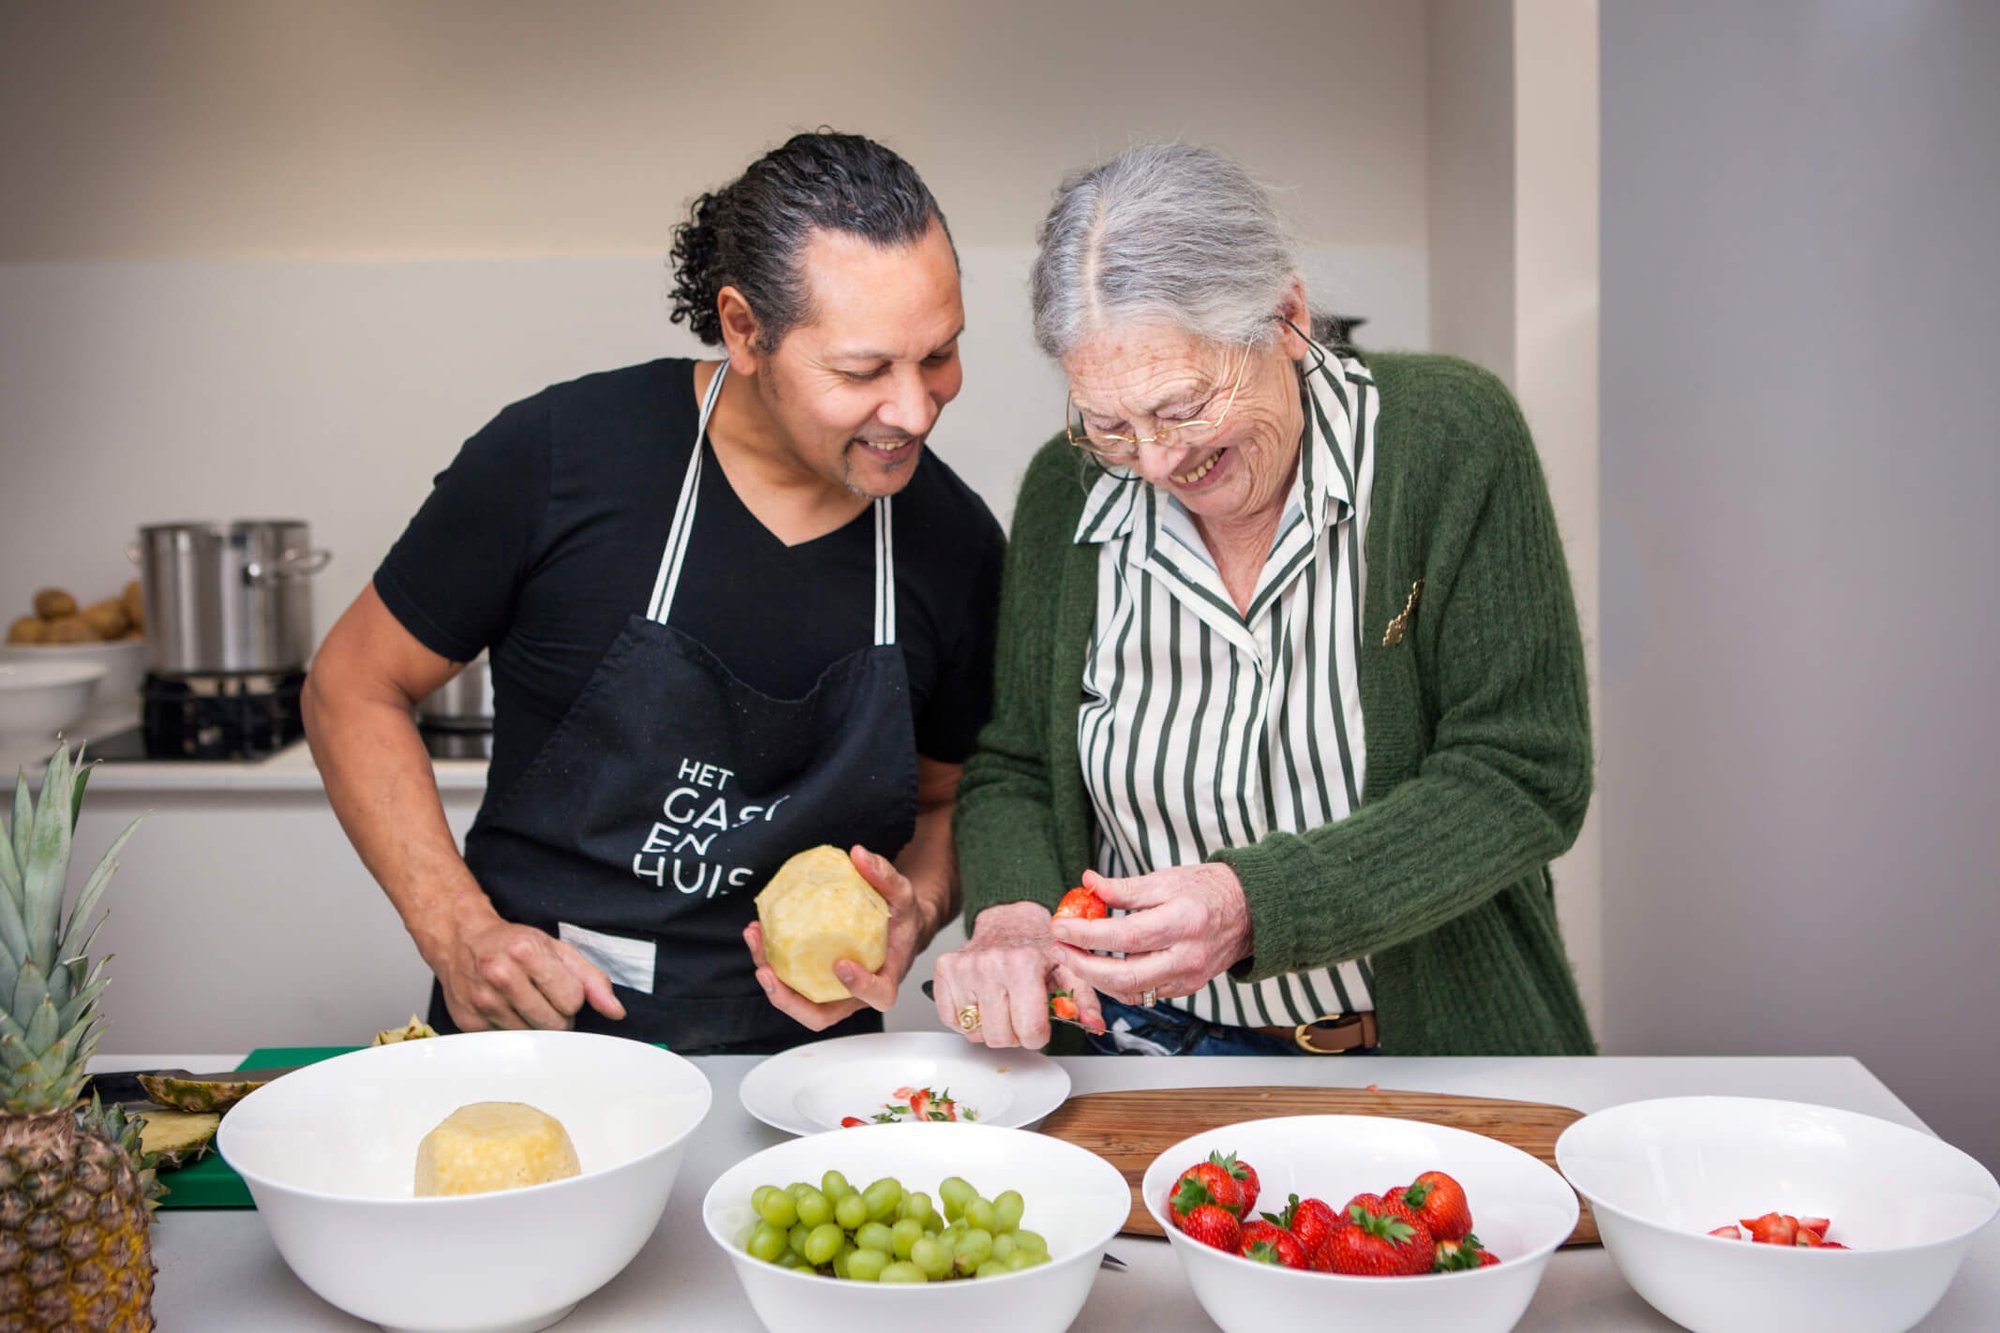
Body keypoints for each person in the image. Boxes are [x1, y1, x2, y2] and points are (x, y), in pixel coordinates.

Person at [306, 131, 1003, 1054]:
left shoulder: (953, 543)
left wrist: (918, 906)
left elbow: (950, 803)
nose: (915, 410)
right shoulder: (560, 456)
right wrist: (457, 932)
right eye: (863, 370)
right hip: (538, 1043)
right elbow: (351, 685)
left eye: (940, 356)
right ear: (745, 328)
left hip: (806, 1075)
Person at [933, 144, 1595, 1057]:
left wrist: (1257, 905)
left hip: (1409, 1051)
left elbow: (1524, 772)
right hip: (1138, 1057)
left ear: (1285, 317)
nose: (1158, 464)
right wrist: (1013, 915)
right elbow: (1016, 768)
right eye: (1110, 426)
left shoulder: (1448, 439)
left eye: (1182, 407)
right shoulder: (1068, 488)